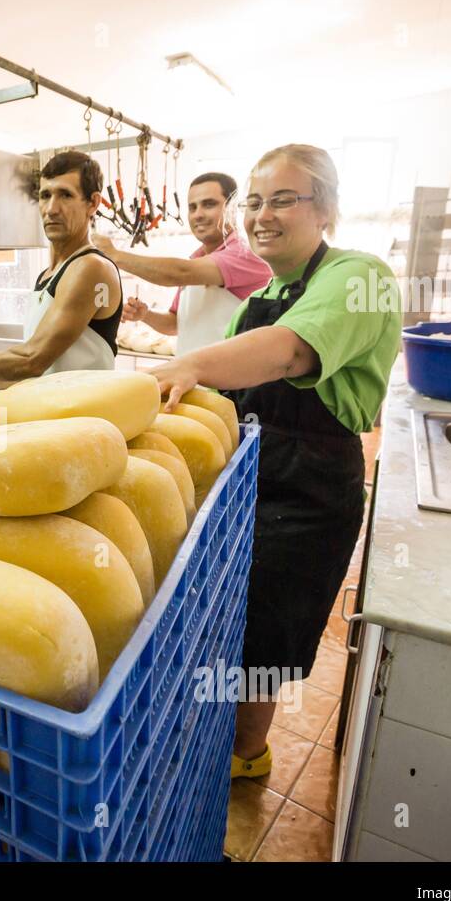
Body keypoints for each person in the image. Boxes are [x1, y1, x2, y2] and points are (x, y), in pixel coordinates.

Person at [144, 145, 401, 780]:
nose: (262, 214)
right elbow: (224, 392)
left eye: (283, 199)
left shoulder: (359, 276)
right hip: (249, 475)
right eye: (254, 202)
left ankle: (245, 755)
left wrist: (191, 363)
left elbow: (287, 354)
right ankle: (217, 738)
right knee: (230, 613)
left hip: (309, 485)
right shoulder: (263, 293)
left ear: (329, 209)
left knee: (273, 625)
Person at [0, 151, 122, 390]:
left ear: (92, 203)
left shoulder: (91, 268)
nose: (52, 209)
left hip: (84, 420)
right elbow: (49, 369)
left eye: (65, 195)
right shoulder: (47, 276)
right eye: (45, 195)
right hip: (53, 415)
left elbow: (33, 359)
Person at [93, 172, 270, 356]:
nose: (198, 214)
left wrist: (115, 255)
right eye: (192, 207)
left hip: (233, 380)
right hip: (193, 377)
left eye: (209, 204)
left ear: (232, 208)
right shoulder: (196, 260)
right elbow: (175, 324)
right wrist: (145, 315)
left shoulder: (246, 252)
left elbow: (178, 273)